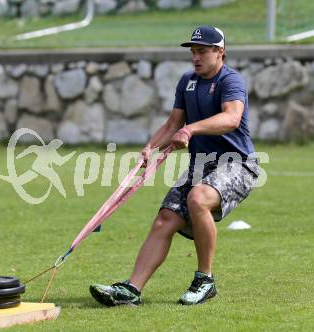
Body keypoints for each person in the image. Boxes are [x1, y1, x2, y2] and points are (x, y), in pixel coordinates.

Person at [89, 26, 260, 306]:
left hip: (237, 164)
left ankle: (205, 280)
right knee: (165, 219)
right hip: (201, 166)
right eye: (193, 51)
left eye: (202, 51)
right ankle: (131, 290)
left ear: (220, 52)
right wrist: (150, 147)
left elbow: (231, 119)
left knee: (199, 198)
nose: (196, 57)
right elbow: (172, 124)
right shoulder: (187, 82)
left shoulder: (231, 81)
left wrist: (190, 130)